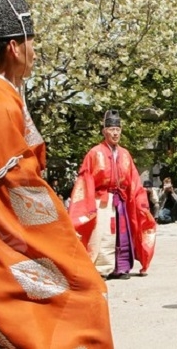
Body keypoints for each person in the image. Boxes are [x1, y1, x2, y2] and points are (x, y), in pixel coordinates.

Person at [0, 0, 113, 346]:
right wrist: (59, 234)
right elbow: (16, 185)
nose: (35, 51)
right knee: (82, 293)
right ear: (14, 47)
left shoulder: (1, 97)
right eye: (32, 42)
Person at [69, 110, 156, 280]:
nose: (115, 133)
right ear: (104, 131)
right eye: (111, 129)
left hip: (121, 199)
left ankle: (122, 267)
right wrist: (88, 204)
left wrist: (140, 201)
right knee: (103, 233)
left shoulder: (125, 154)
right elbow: (85, 179)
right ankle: (102, 268)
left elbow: (133, 180)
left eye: (118, 129)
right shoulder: (95, 153)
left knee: (123, 234)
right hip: (101, 199)